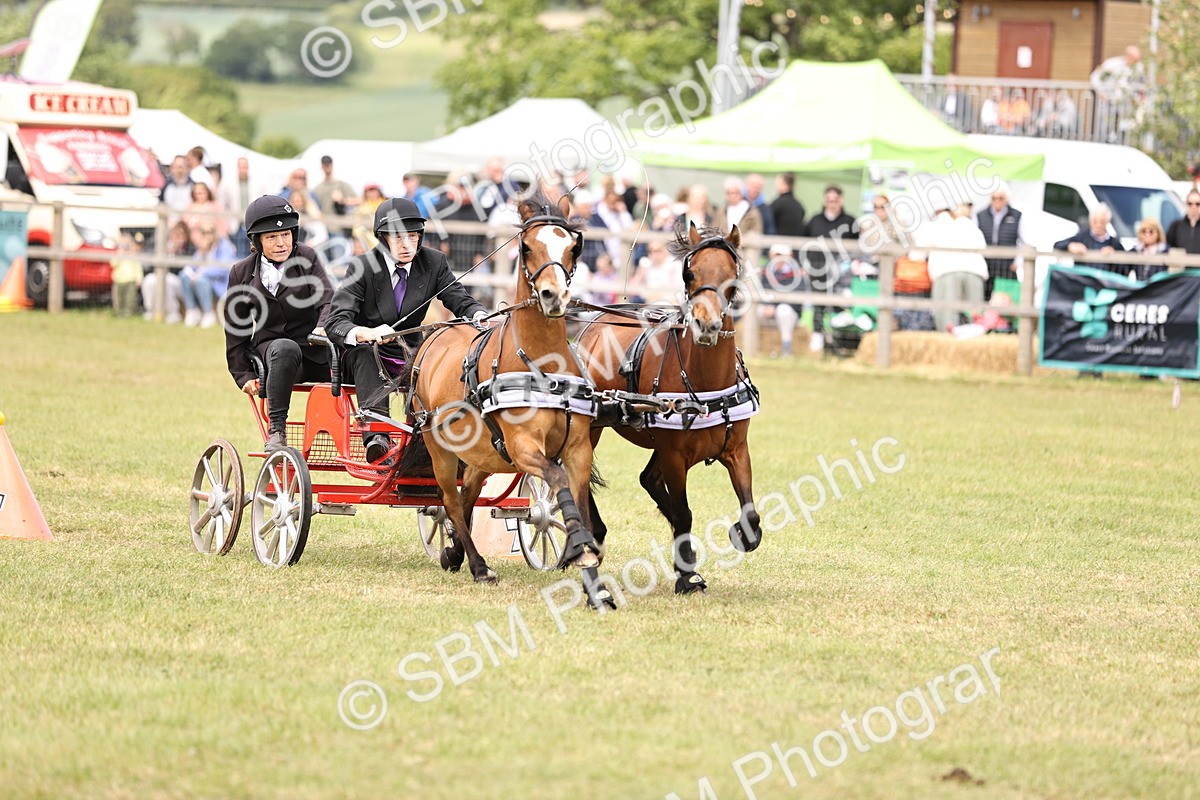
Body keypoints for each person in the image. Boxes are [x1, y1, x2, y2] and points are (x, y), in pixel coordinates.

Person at [324, 198, 488, 462]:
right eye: (398, 238)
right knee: (366, 355)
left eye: (413, 237)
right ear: (383, 238)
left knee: (445, 362)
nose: (407, 245)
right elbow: (335, 322)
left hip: (411, 351)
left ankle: (432, 439)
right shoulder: (363, 266)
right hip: (366, 352)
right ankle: (377, 437)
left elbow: (459, 298)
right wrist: (366, 332)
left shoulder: (434, 262)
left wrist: (478, 314)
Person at [224, 196, 334, 452]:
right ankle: (276, 431)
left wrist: (322, 327)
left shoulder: (307, 257)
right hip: (273, 353)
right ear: (257, 241)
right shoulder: (240, 273)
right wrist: (242, 375)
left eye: (285, 234)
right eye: (272, 237)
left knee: (364, 355)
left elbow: (328, 299)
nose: (282, 243)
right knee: (284, 347)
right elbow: (236, 328)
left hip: (315, 351)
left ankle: (374, 434)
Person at [803, 185, 858, 352]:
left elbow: (857, 246)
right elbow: (801, 242)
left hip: (842, 273)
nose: (832, 204)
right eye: (829, 200)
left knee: (840, 305)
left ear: (841, 200)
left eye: (835, 200)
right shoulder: (815, 220)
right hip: (817, 270)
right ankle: (818, 338)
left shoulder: (850, 221)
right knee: (818, 305)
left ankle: (838, 340)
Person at [927, 204, 989, 333]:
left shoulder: (937, 223)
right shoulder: (970, 225)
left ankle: (948, 343)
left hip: (946, 272)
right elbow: (983, 247)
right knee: (975, 316)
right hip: (974, 271)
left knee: (947, 317)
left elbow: (916, 253)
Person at [180, 224, 236, 328]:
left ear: (215, 232)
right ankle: (192, 311)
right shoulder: (202, 247)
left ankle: (208, 313)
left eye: (210, 232)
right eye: (204, 232)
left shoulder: (225, 246)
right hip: (200, 282)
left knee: (201, 280)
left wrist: (202, 273)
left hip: (220, 284)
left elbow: (223, 268)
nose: (207, 235)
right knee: (184, 276)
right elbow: (193, 266)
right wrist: (201, 252)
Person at [976, 183, 1022, 299]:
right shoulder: (980, 215)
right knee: (984, 298)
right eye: (994, 198)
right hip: (987, 265)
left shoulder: (1017, 216)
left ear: (1006, 199)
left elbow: (1024, 241)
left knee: (1007, 299)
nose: (997, 201)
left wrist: (1017, 262)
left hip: (1006, 266)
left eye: (1000, 198)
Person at [141, 220, 191, 323]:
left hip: (179, 282)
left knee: (168, 280)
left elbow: (183, 270)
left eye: (180, 235)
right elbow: (150, 265)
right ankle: (150, 311)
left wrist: (175, 253)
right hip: (160, 277)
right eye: (175, 234)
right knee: (149, 280)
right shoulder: (163, 247)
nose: (177, 238)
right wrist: (167, 253)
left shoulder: (188, 250)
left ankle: (173, 313)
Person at [1054, 204, 1126, 272]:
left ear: (1107, 221)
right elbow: (1057, 245)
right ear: (1090, 221)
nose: (1098, 225)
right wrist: (1070, 246)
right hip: (1083, 282)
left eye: (1102, 221)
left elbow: (1125, 267)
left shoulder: (1115, 244)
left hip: (1106, 283)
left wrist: (1114, 255)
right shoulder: (1081, 238)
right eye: (1095, 221)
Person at [713, 176, 763, 266]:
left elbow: (756, 232)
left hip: (745, 251)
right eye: (730, 193)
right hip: (723, 250)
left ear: (741, 193)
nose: (733, 196)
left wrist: (739, 241)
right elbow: (714, 228)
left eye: (736, 193)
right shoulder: (721, 210)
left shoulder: (752, 212)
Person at [628, 239, 684, 305]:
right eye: (650, 251)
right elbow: (631, 289)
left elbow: (680, 292)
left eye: (657, 251)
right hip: (649, 306)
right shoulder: (647, 265)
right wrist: (640, 274)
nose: (653, 254)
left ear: (665, 250)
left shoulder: (675, 265)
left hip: (670, 306)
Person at [110, 232, 144, 318]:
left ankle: (128, 313)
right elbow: (113, 264)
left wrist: (139, 279)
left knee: (130, 299)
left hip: (131, 280)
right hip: (119, 281)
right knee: (118, 299)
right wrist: (120, 254)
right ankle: (119, 313)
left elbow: (137, 267)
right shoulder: (118, 255)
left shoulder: (133, 256)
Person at [770, 172, 806, 241]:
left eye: (778, 183)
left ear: (784, 184)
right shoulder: (799, 205)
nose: (776, 186)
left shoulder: (777, 204)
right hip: (794, 246)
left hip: (777, 245)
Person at [1165, 190, 1200, 254]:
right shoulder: (1176, 226)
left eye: (1197, 204)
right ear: (1186, 204)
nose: (1194, 207)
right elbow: (1168, 247)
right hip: (1181, 263)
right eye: (1190, 204)